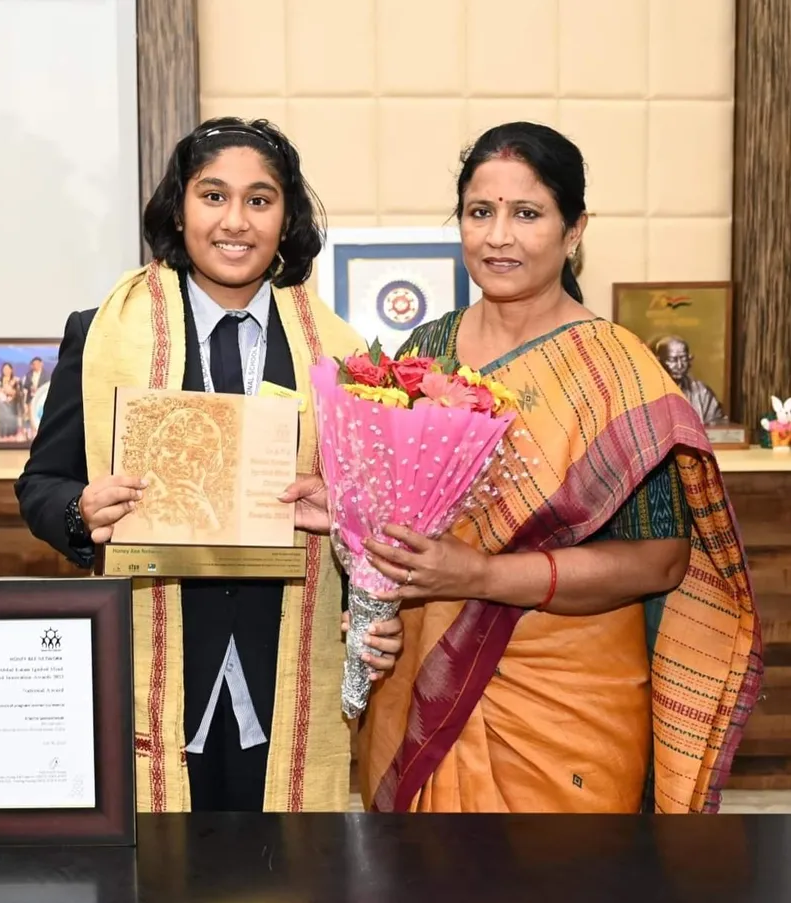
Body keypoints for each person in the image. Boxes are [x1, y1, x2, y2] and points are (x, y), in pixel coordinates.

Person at [286, 122, 761, 814]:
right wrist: (350, 515)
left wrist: (480, 575)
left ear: (574, 231)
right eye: (480, 213)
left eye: (527, 214)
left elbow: (659, 561)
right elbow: (407, 512)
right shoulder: (427, 350)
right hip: (423, 669)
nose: (498, 237)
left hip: (565, 701)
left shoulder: (617, 373)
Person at [15, 117, 403, 814]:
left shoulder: (343, 356)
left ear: (286, 218)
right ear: (178, 207)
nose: (236, 221)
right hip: (153, 664)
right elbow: (42, 485)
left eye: (259, 200)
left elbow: (373, 516)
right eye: (212, 195)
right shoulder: (101, 331)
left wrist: (345, 515)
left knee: (290, 884)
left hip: (283, 666)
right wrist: (81, 512)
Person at [652, 335, 727, 426]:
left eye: (683, 359)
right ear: (658, 361)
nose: (679, 366)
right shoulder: (645, 392)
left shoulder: (702, 392)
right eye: (673, 360)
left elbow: (717, 426)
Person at [0, 362, 21, 440]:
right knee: (2, 422)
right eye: (4, 369)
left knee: (11, 423)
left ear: (11, 370)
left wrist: (11, 392)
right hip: (2, 407)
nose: (6, 371)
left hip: (12, 406)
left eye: (7, 369)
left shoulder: (16, 380)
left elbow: (18, 393)